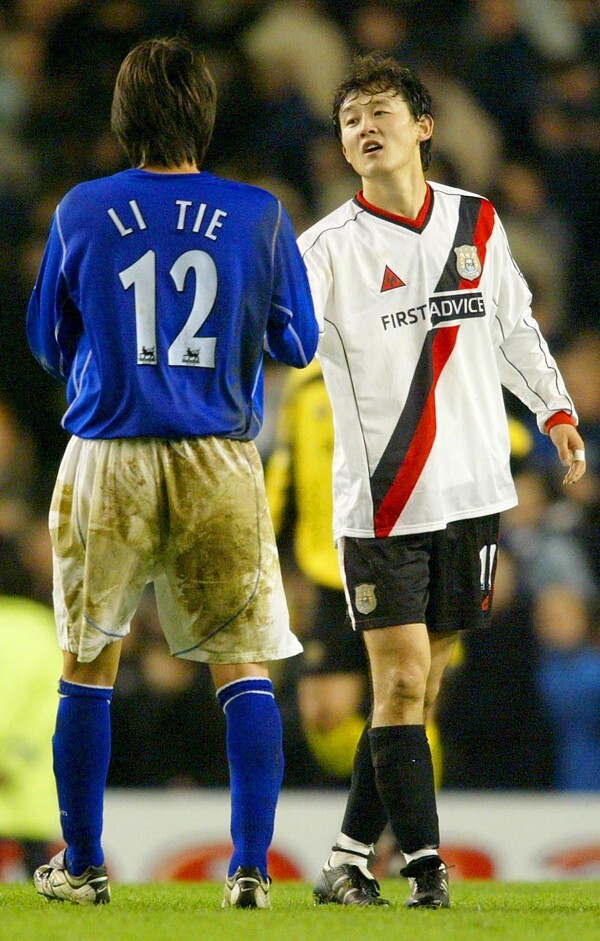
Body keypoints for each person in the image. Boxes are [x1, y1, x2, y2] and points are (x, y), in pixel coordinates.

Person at [26, 36, 318, 909]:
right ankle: (253, 871)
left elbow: (48, 339)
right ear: (206, 113)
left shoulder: (83, 208)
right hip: (218, 457)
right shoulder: (259, 213)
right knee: (244, 665)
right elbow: (296, 341)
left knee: (89, 663)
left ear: (123, 119)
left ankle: (81, 863)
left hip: (108, 451)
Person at [296, 52, 586, 910]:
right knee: (397, 680)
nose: (365, 127)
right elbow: (280, 346)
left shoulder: (477, 222)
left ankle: (347, 854)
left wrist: (557, 409)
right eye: (350, 119)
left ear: (424, 127)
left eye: (381, 110)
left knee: (420, 686)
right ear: (344, 146)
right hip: (382, 504)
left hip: (473, 496)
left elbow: (514, 326)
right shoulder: (325, 251)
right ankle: (424, 863)